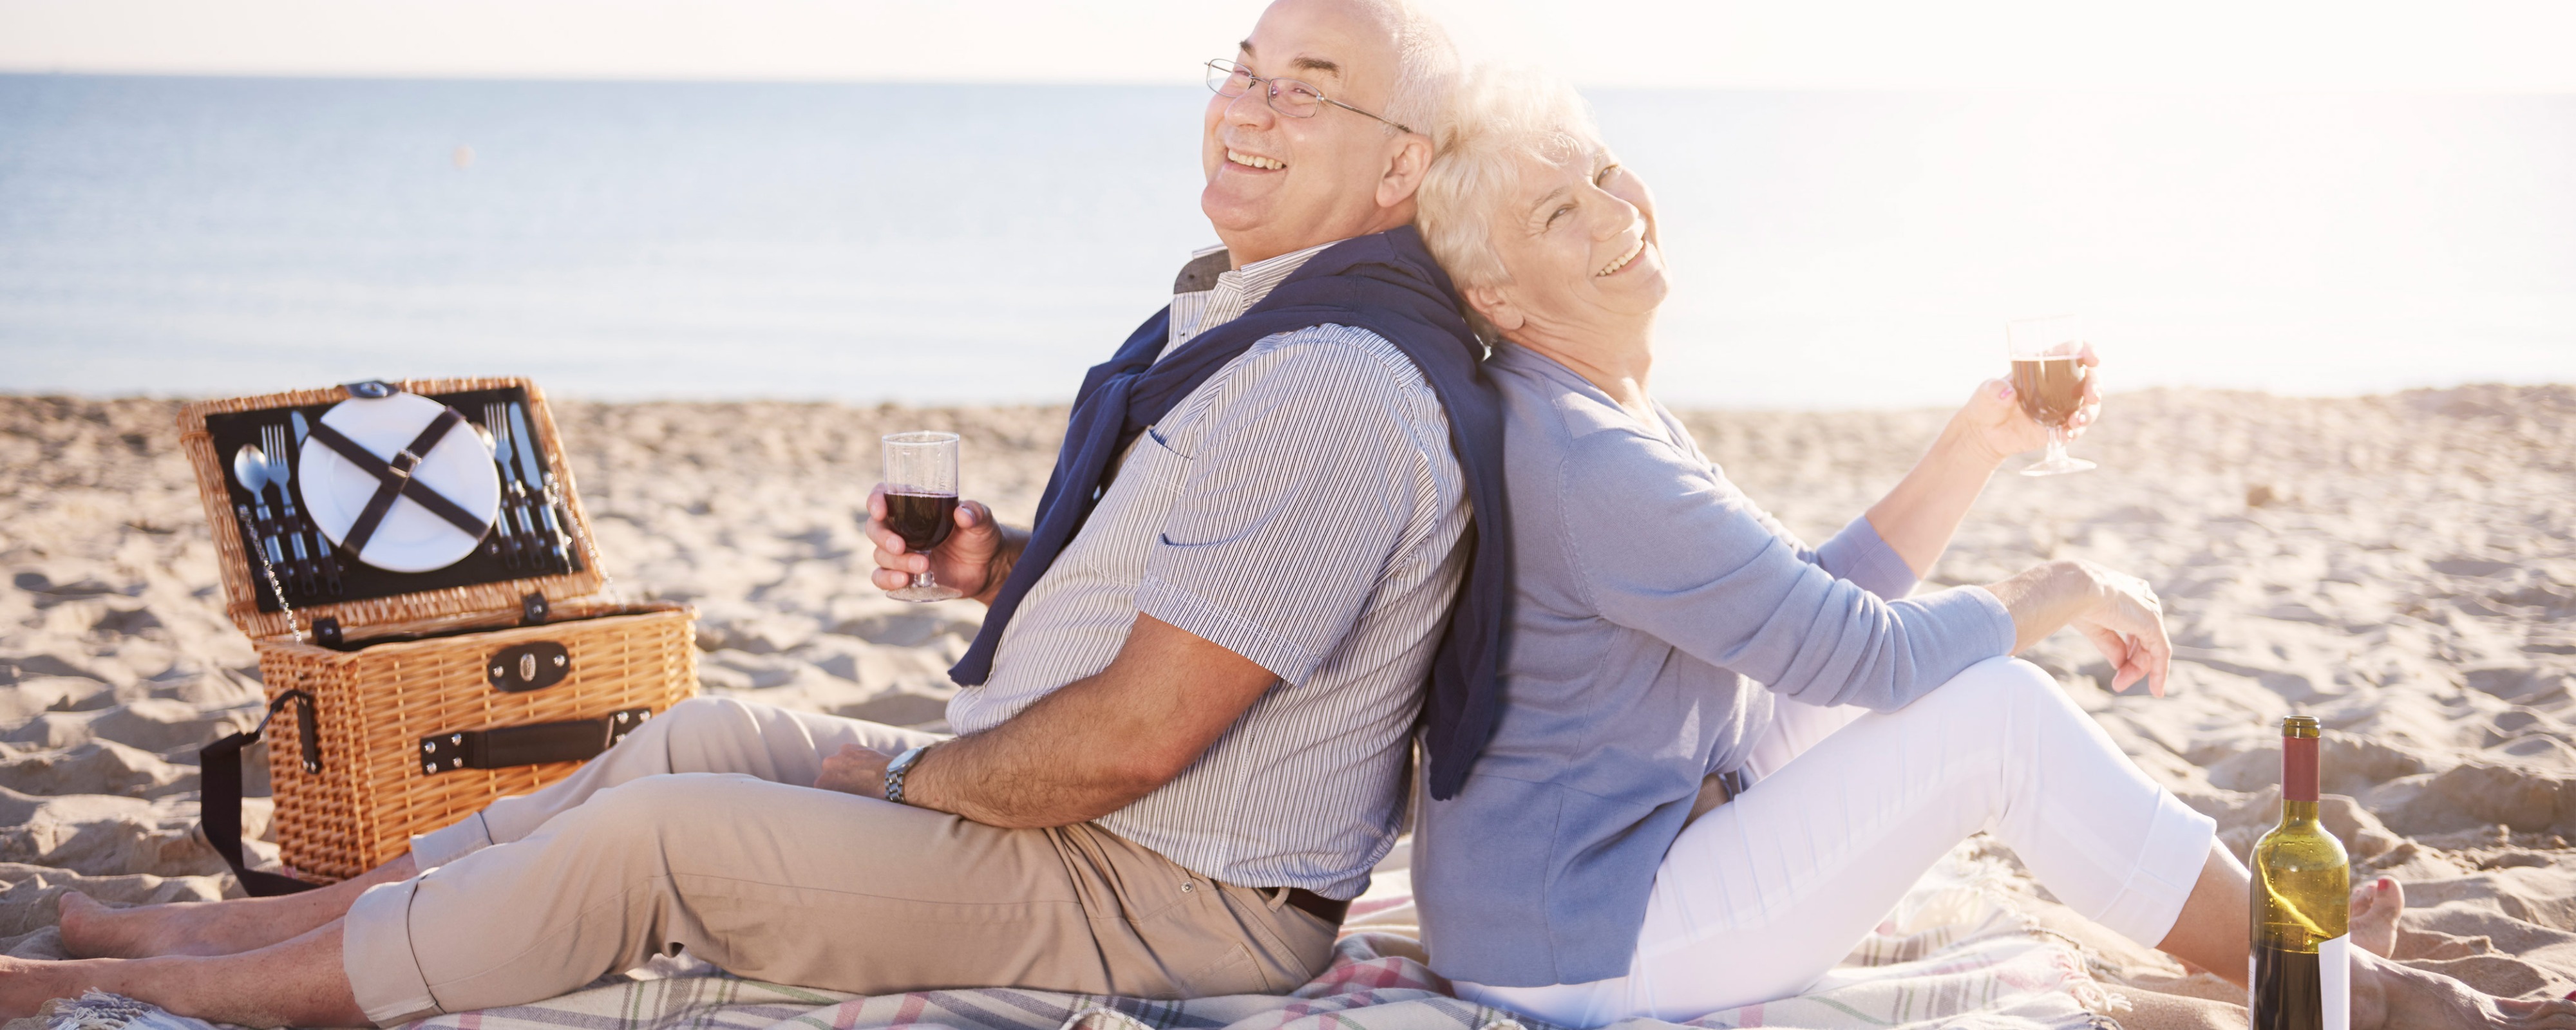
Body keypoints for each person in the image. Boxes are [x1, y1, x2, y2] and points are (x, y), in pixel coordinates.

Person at [1, 2, 1509, 1025]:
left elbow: (1132, 739)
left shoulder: (1333, 381)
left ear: (1400, 166)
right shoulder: (1257, 320)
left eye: (1306, 92)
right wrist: (1000, 573)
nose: (1247, 111)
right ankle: (248, 927)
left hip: (1164, 891)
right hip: (1099, 821)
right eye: (1243, 67)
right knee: (700, 735)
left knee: (660, 836)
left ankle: (182, 992)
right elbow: (1196, 612)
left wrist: (913, 781)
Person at [1403, 67, 2576, 1030]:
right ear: (1500, 293)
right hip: (1575, 944)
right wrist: (2062, 588)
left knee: (1953, 687)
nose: (1617, 210)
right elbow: (1865, 659)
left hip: (1613, 851)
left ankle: (2272, 948)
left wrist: (1974, 445)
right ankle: (2330, 990)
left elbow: (1793, 613)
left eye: (1605, 172)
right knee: (1994, 715)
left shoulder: (1593, 407)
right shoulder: (1591, 460)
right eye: (1562, 213)